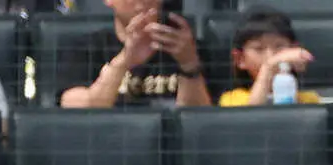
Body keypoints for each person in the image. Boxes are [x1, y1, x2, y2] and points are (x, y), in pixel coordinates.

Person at [58, 0, 211, 108]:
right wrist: (124, 60)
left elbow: (199, 125)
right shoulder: (85, 48)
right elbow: (77, 115)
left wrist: (188, 64)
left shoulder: (190, 48)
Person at [218, 7, 320, 108]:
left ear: (294, 49)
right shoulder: (231, 100)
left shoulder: (309, 100)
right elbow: (249, 118)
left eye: (279, 47)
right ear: (240, 59)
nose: (270, 56)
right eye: (259, 49)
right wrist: (268, 68)